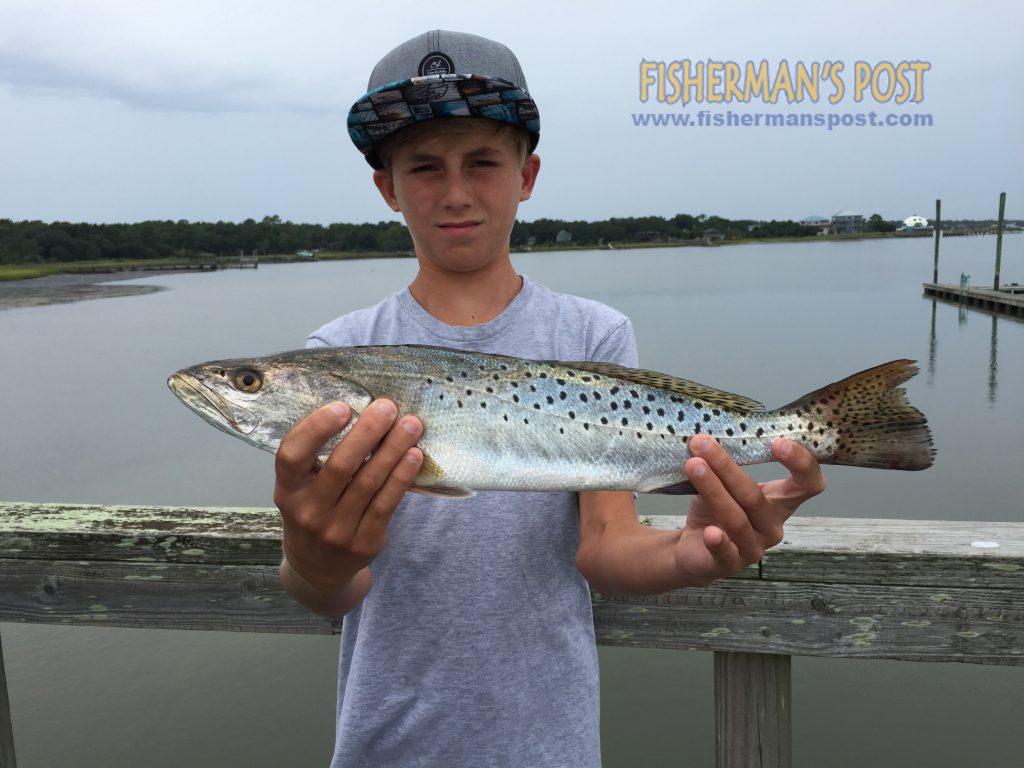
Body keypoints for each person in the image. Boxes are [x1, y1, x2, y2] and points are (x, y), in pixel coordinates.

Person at [273, 30, 825, 768]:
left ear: (526, 175)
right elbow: (330, 591)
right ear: (388, 188)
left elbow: (605, 545)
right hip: (385, 742)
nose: (457, 192)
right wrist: (312, 560)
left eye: (483, 162)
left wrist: (690, 556)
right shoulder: (335, 351)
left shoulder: (593, 332)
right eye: (425, 167)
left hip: (550, 746)